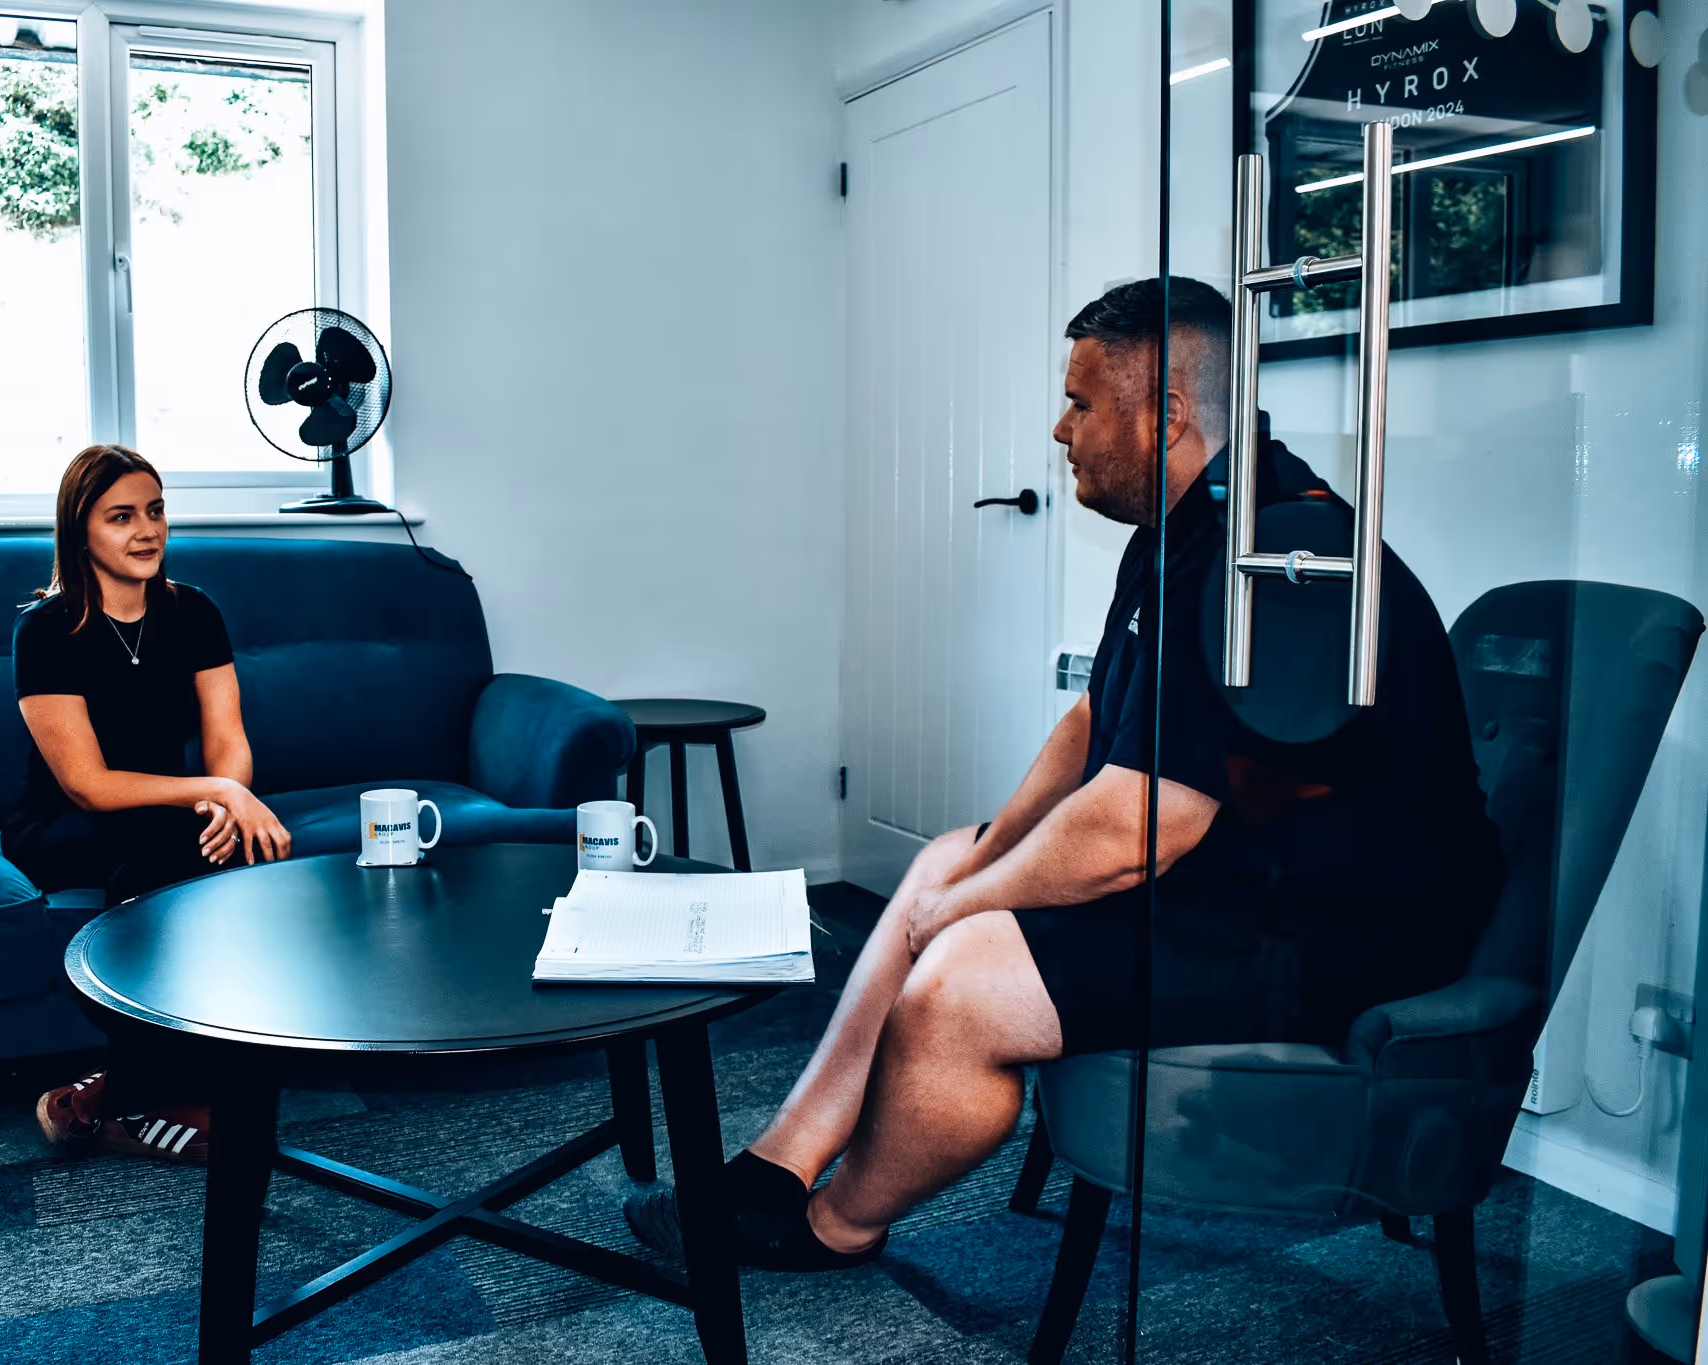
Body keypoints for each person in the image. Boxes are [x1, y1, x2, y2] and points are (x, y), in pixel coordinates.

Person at [627, 276, 1503, 1270]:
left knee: (960, 976)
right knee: (946, 859)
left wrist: (959, 916)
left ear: (1162, 414)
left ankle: (832, 1227)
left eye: (1080, 402)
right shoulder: (1180, 531)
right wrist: (978, 864)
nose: (1058, 427)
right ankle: (774, 1169)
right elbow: (1094, 723)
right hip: (1240, 890)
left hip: (1333, 939)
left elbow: (1138, 827)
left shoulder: (1276, 559)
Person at [8, 444, 293, 1162]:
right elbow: (89, 784)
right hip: (64, 825)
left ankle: (116, 1096)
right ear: (81, 533)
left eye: (156, 510)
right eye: (121, 516)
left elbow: (228, 738)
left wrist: (227, 802)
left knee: (182, 848)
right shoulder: (45, 630)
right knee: (158, 848)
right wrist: (216, 792)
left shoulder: (194, 611)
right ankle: (157, 1098)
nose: (147, 530)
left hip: (168, 813)